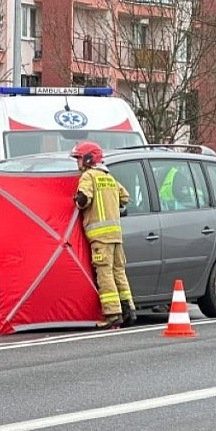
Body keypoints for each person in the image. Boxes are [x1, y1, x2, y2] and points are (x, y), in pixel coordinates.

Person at [71, 141, 137, 329]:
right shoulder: (109, 177)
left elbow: (83, 200)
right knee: (119, 272)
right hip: (116, 236)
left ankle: (112, 314)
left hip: (100, 238)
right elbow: (125, 197)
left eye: (79, 158)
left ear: (88, 159)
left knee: (104, 273)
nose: (78, 163)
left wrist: (75, 199)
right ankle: (128, 310)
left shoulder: (88, 176)